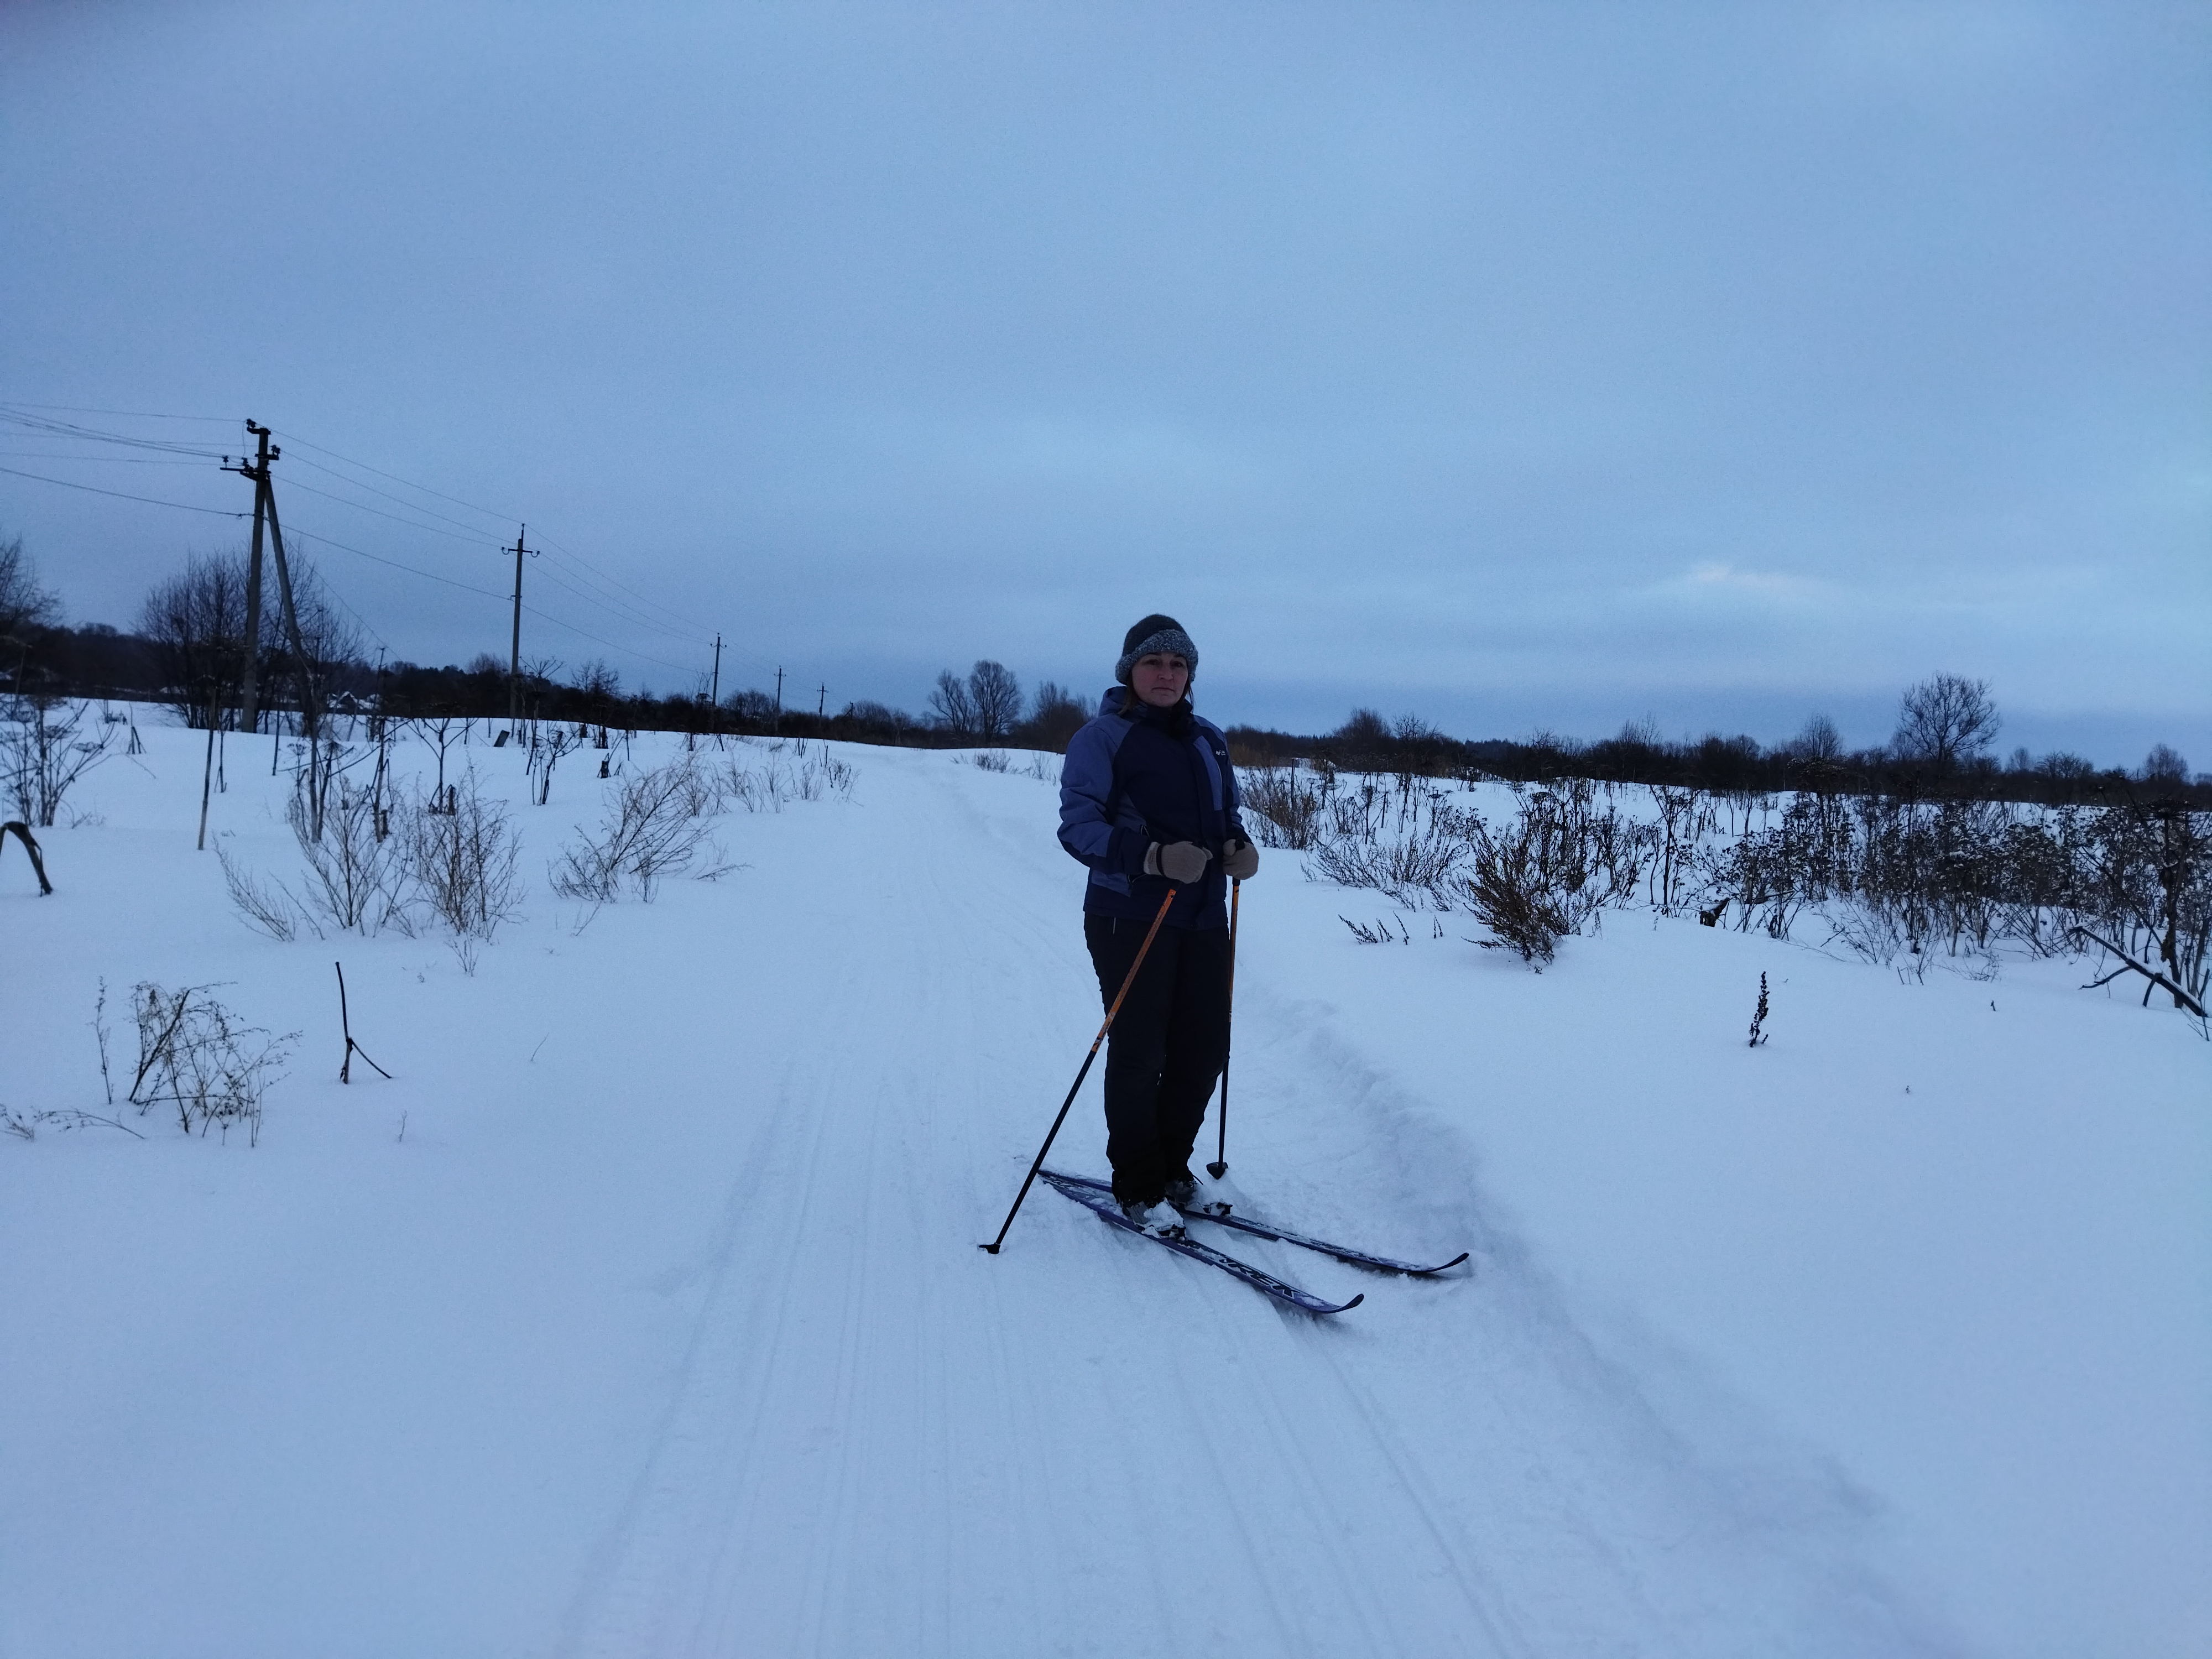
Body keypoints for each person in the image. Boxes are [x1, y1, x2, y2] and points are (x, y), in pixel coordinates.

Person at [1057, 614, 1260, 1236]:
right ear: (1130, 672)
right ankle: (1139, 1185)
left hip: (1201, 915)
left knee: (1203, 1050)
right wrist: (1151, 857)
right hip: (1128, 916)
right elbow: (1078, 828)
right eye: (1154, 663)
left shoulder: (1209, 739)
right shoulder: (1101, 738)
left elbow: (1225, 814)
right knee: (1142, 1051)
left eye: (1178, 665)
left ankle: (1174, 1168)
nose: (1167, 674)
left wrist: (1239, 847)